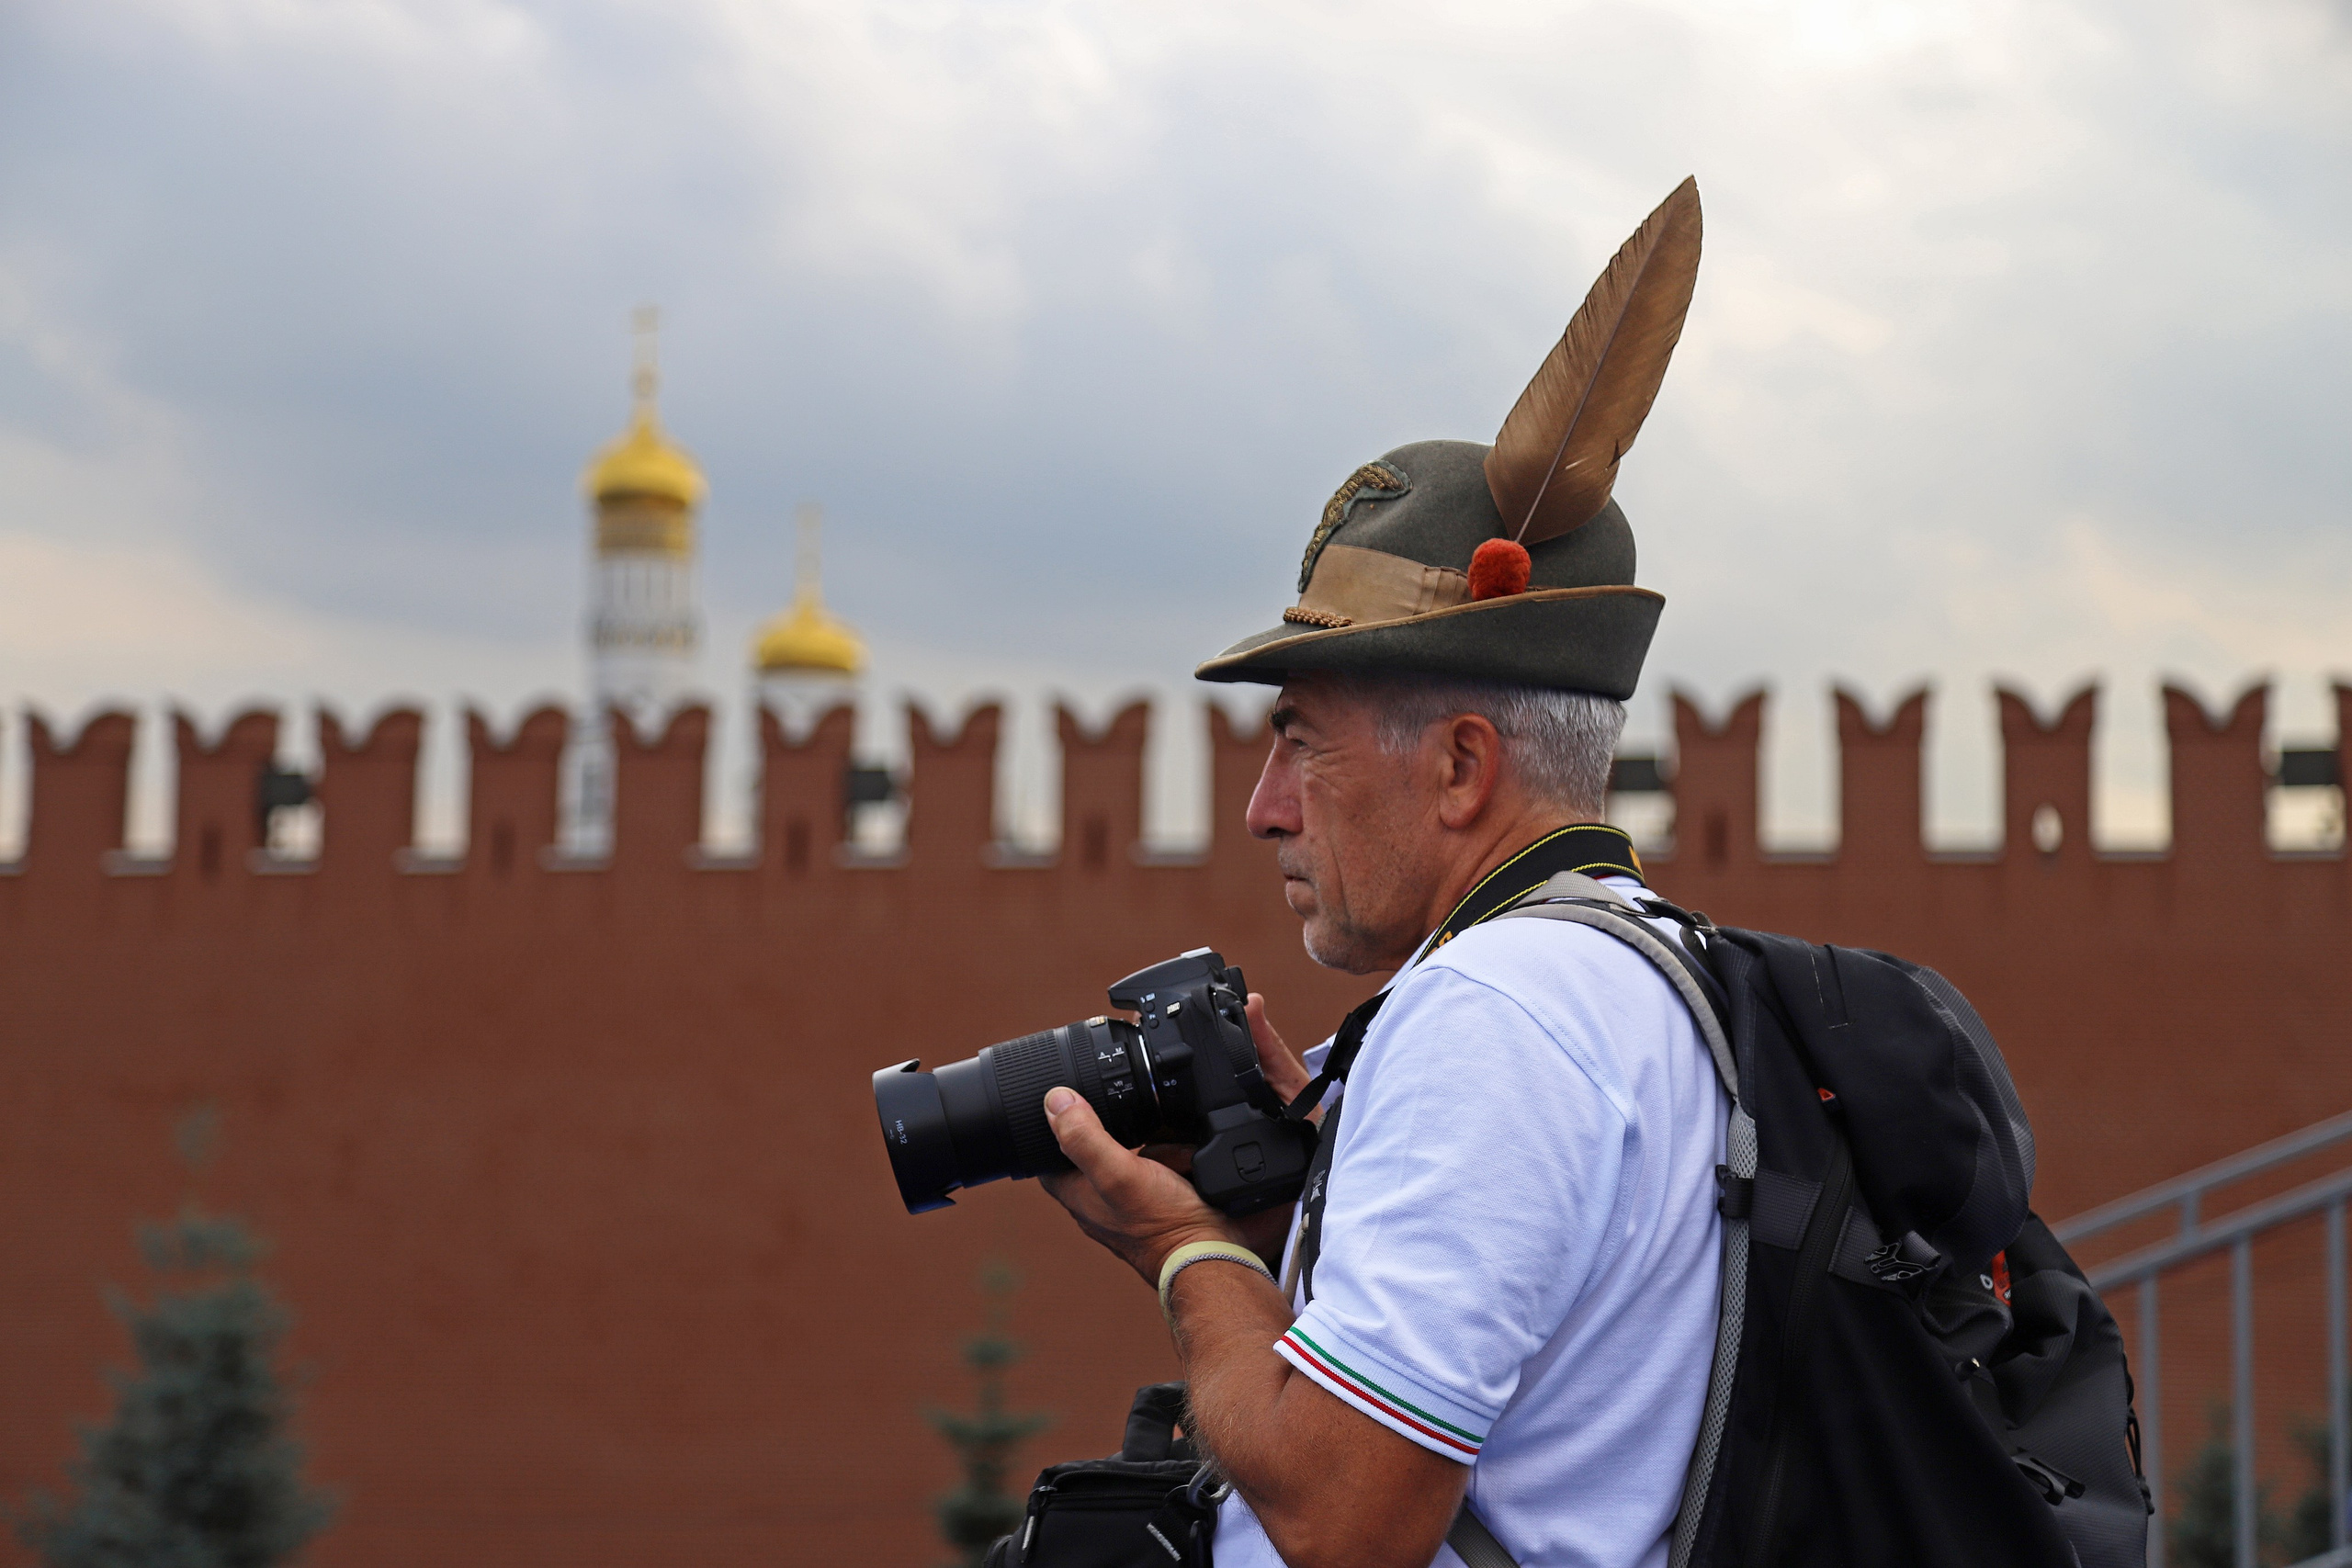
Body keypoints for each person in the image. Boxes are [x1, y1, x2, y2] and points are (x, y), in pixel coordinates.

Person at [1038, 178, 1727, 1568]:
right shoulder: (1652, 972)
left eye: (1301, 744)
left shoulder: (1494, 1013)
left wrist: (1186, 1250)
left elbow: (1348, 1516)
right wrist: (1300, 1214)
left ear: (1463, 768)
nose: (1262, 811)